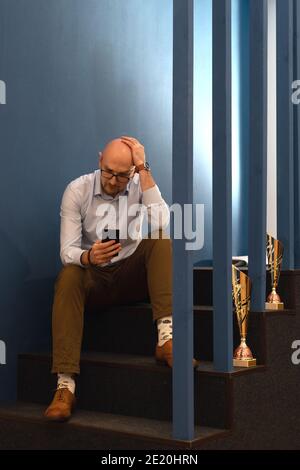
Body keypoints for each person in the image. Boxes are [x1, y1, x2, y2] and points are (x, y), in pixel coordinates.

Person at [44, 136, 197, 422]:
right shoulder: (77, 190)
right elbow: (67, 252)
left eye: (122, 175)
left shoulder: (140, 183)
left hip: (131, 275)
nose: (114, 181)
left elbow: (163, 220)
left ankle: (167, 339)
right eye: (108, 172)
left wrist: (143, 169)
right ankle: (65, 385)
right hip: (96, 278)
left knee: (161, 240)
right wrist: (89, 257)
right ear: (100, 160)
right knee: (68, 275)